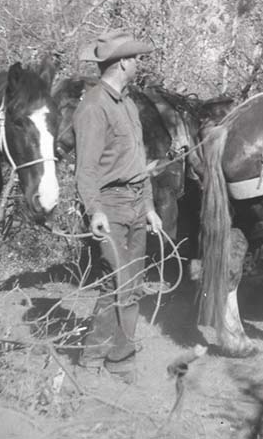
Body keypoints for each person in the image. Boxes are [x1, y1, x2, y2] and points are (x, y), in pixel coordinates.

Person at [73, 29, 163, 383]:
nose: (139, 63)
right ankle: (114, 358)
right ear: (124, 62)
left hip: (138, 204)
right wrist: (94, 209)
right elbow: (86, 169)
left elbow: (139, 163)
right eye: (137, 58)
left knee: (128, 283)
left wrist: (151, 207)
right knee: (121, 283)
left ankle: (102, 355)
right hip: (109, 207)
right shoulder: (93, 107)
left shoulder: (127, 103)